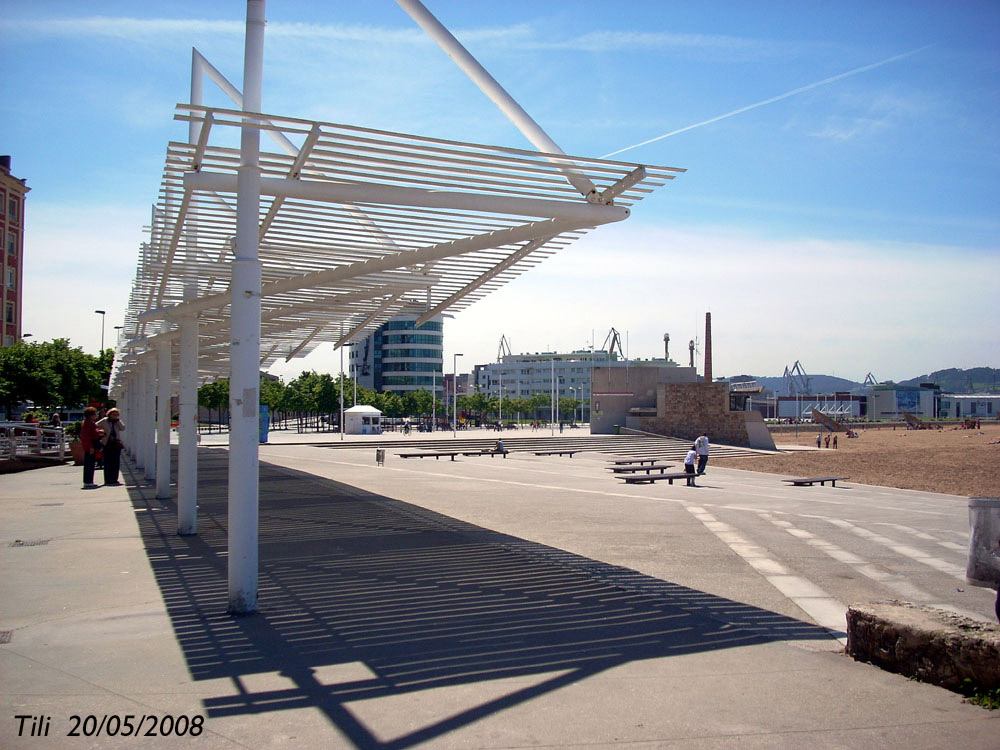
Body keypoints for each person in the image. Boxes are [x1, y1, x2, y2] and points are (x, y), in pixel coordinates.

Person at [95, 408, 126, 486]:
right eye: (113, 415)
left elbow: (123, 428)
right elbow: (96, 425)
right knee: (108, 461)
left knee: (116, 461)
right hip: (107, 443)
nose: (115, 416)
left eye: (116, 415)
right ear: (109, 414)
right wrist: (101, 432)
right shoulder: (105, 420)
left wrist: (118, 421)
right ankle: (108, 479)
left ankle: (115, 478)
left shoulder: (117, 422)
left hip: (116, 443)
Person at [80, 406, 101, 489]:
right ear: (90, 415)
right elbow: (87, 436)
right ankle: (88, 481)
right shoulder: (88, 423)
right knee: (89, 464)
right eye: (94, 414)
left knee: (90, 464)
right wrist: (91, 447)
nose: (95, 416)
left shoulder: (89, 422)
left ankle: (89, 481)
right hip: (90, 445)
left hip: (90, 445)